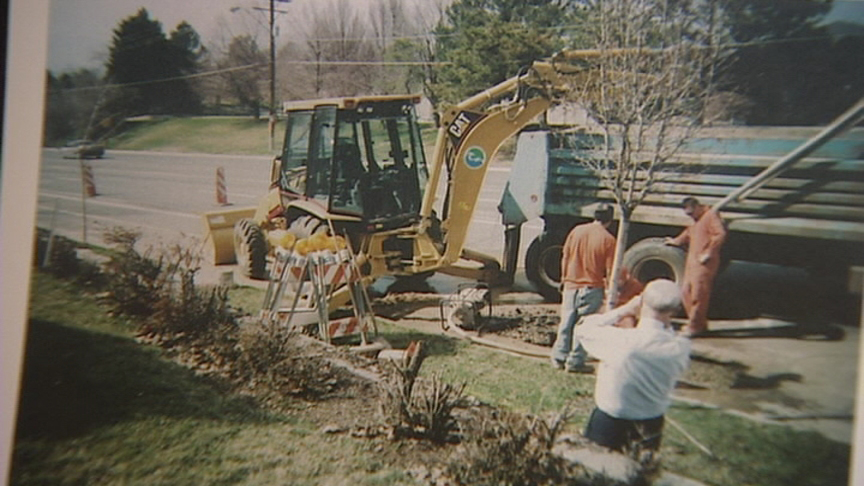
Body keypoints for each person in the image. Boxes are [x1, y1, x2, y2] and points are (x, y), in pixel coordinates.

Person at [577, 279, 691, 453]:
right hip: (650, 423)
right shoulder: (680, 348)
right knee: (638, 474)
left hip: (609, 423)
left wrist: (624, 310)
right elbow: (668, 335)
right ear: (675, 310)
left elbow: (583, 328)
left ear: (641, 301)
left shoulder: (621, 341)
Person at [551, 203, 616, 372]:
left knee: (566, 323)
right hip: (591, 287)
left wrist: (564, 279)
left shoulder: (577, 231)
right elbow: (610, 271)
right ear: (610, 219)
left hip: (571, 285)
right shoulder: (609, 240)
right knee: (584, 326)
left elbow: (565, 256)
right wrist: (609, 291)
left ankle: (559, 357)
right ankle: (575, 361)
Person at [665, 197, 727, 335]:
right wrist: (676, 241)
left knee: (698, 294)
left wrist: (709, 252)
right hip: (692, 261)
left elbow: (720, 234)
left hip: (704, 262)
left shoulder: (710, 215)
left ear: (698, 207)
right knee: (685, 291)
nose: (690, 216)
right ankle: (698, 322)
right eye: (688, 214)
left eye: (691, 213)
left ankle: (695, 326)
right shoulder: (696, 219)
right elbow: (689, 232)